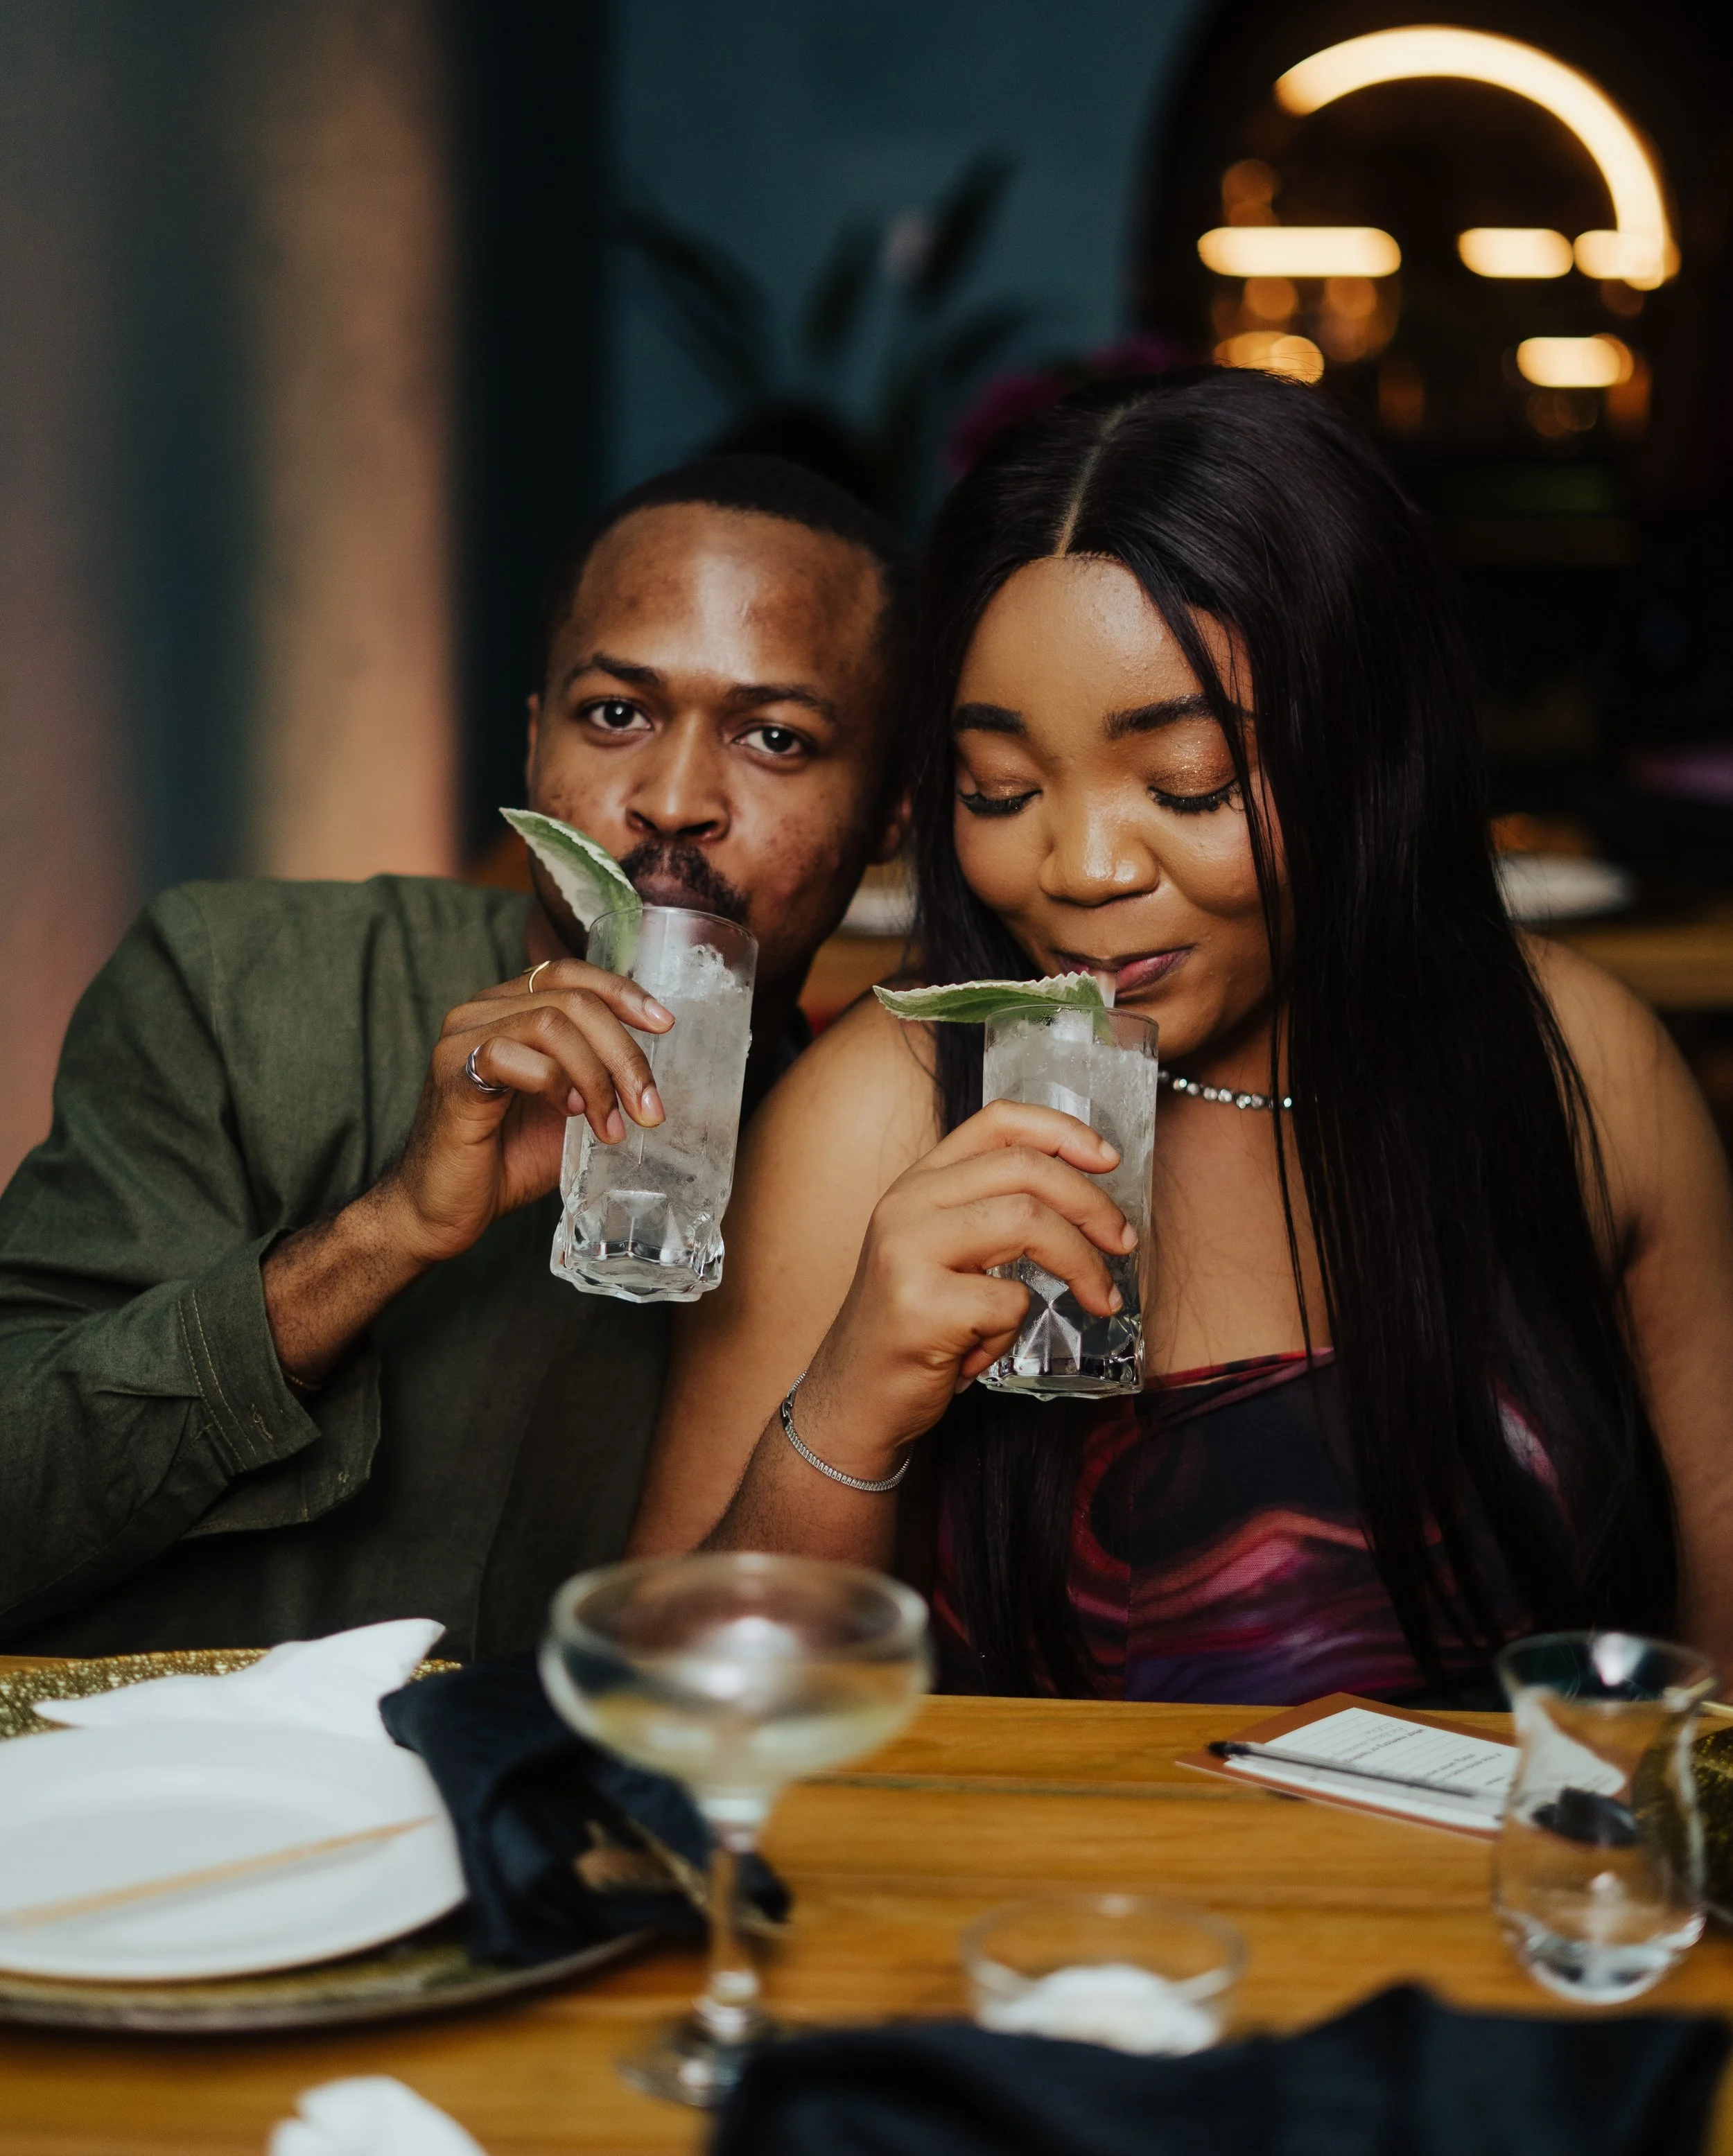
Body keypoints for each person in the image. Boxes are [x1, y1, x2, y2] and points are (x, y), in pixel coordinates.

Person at [632, 374, 1733, 1706]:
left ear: (1369, 750)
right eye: (1004, 790)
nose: (1082, 867)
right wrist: (852, 1398)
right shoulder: (884, 1113)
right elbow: (663, 1726)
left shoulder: (1580, 1061)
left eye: (1187, 784)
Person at [0, 455, 910, 1658]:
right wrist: (386, 1234)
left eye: (777, 737)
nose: (674, 797)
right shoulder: (230, 981)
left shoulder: (864, 1162)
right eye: (617, 714)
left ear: (893, 813)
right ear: (536, 747)